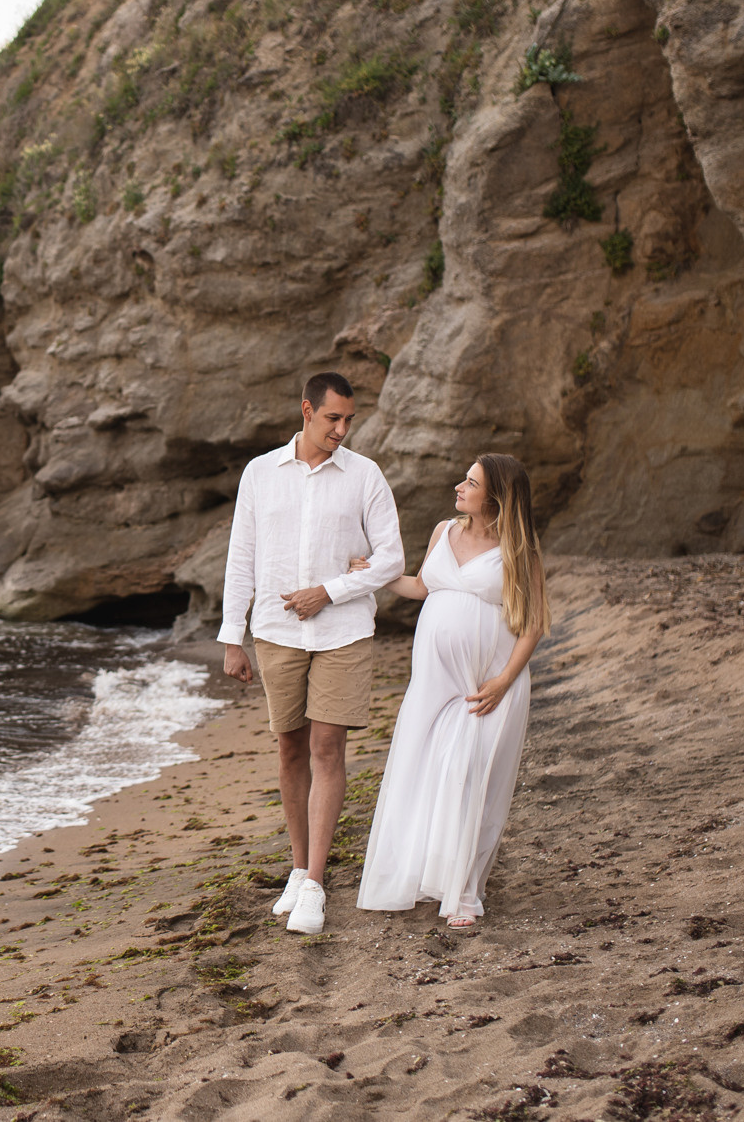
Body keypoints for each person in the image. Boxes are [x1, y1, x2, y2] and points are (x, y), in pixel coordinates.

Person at [219, 372, 404, 935]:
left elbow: (392, 559)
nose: (342, 430)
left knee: (328, 747)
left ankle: (317, 884)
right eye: (332, 419)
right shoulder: (260, 474)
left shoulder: (366, 476)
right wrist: (233, 634)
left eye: (349, 421)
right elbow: (242, 556)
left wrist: (332, 590)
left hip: (343, 630)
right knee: (290, 750)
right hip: (276, 632)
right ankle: (298, 870)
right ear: (306, 410)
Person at [353, 452, 550, 930]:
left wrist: (504, 680)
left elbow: (533, 625)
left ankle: (464, 891)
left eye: (471, 482)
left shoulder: (517, 548)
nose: (459, 487)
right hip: (432, 682)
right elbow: (423, 586)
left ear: (496, 498)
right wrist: (372, 575)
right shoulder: (444, 530)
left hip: (486, 683)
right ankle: (421, 874)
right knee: (423, 769)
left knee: (472, 777)